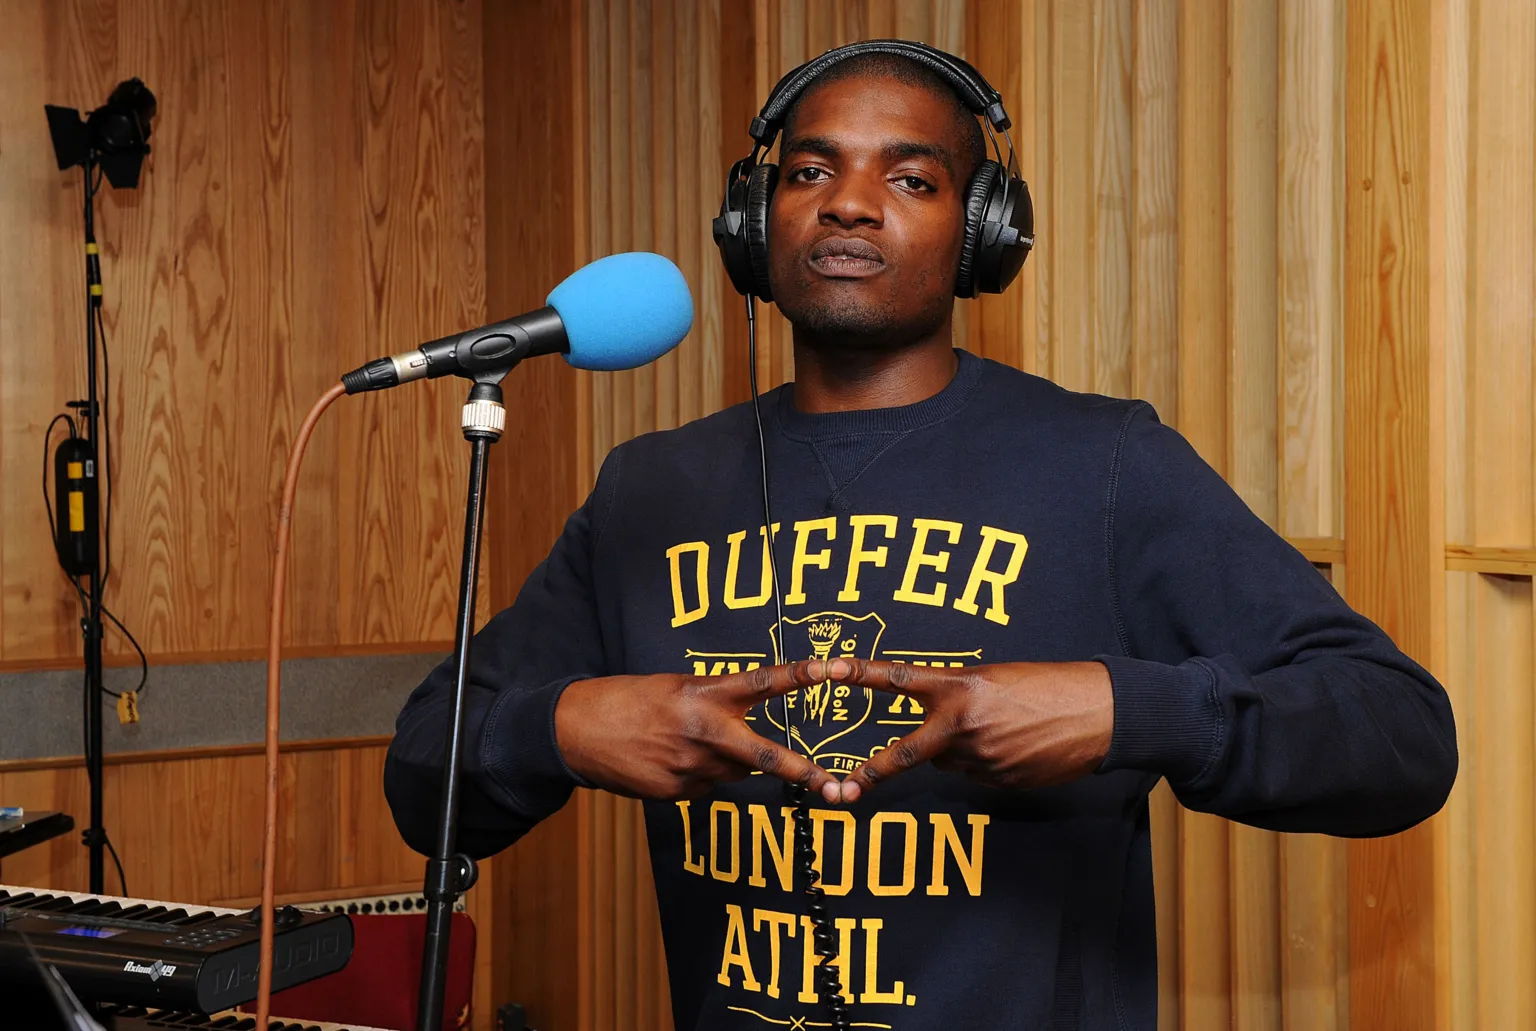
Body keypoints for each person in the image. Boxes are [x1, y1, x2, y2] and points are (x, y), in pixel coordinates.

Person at [385, 41, 1457, 1031]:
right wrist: (566, 725)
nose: (850, 204)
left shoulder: (1107, 465)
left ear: (983, 231)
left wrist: (1129, 706)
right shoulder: (650, 489)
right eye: (810, 172)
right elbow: (424, 769)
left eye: (910, 179)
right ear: (756, 222)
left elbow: (1402, 732)